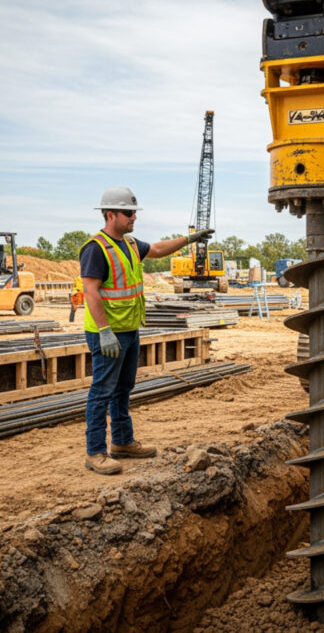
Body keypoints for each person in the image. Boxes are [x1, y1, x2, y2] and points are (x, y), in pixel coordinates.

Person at [79, 186, 213, 475]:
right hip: (108, 333)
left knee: (123, 388)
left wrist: (189, 239)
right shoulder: (96, 249)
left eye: (135, 213)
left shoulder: (128, 244)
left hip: (128, 329)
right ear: (110, 214)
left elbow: (157, 248)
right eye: (129, 213)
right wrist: (104, 331)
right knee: (102, 391)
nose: (133, 218)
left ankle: (123, 442)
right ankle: (95, 452)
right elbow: (91, 292)